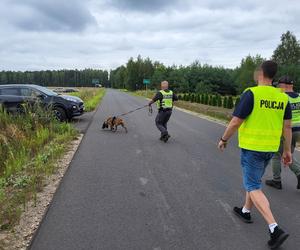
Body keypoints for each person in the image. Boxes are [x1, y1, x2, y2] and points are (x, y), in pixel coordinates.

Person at [217, 61, 292, 249]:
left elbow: (235, 121)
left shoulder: (251, 93)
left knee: (252, 185)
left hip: (252, 148)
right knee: (255, 182)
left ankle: (274, 229)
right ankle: (245, 210)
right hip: (270, 148)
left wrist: (224, 139)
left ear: (260, 73)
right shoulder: (283, 97)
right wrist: (287, 150)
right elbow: (288, 127)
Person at [266, 76, 300, 189]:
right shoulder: (299, 96)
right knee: (288, 152)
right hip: (298, 131)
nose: (278, 87)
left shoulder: (282, 97)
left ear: (284, 85)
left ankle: (277, 180)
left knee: (276, 155)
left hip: (286, 130)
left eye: (279, 85)